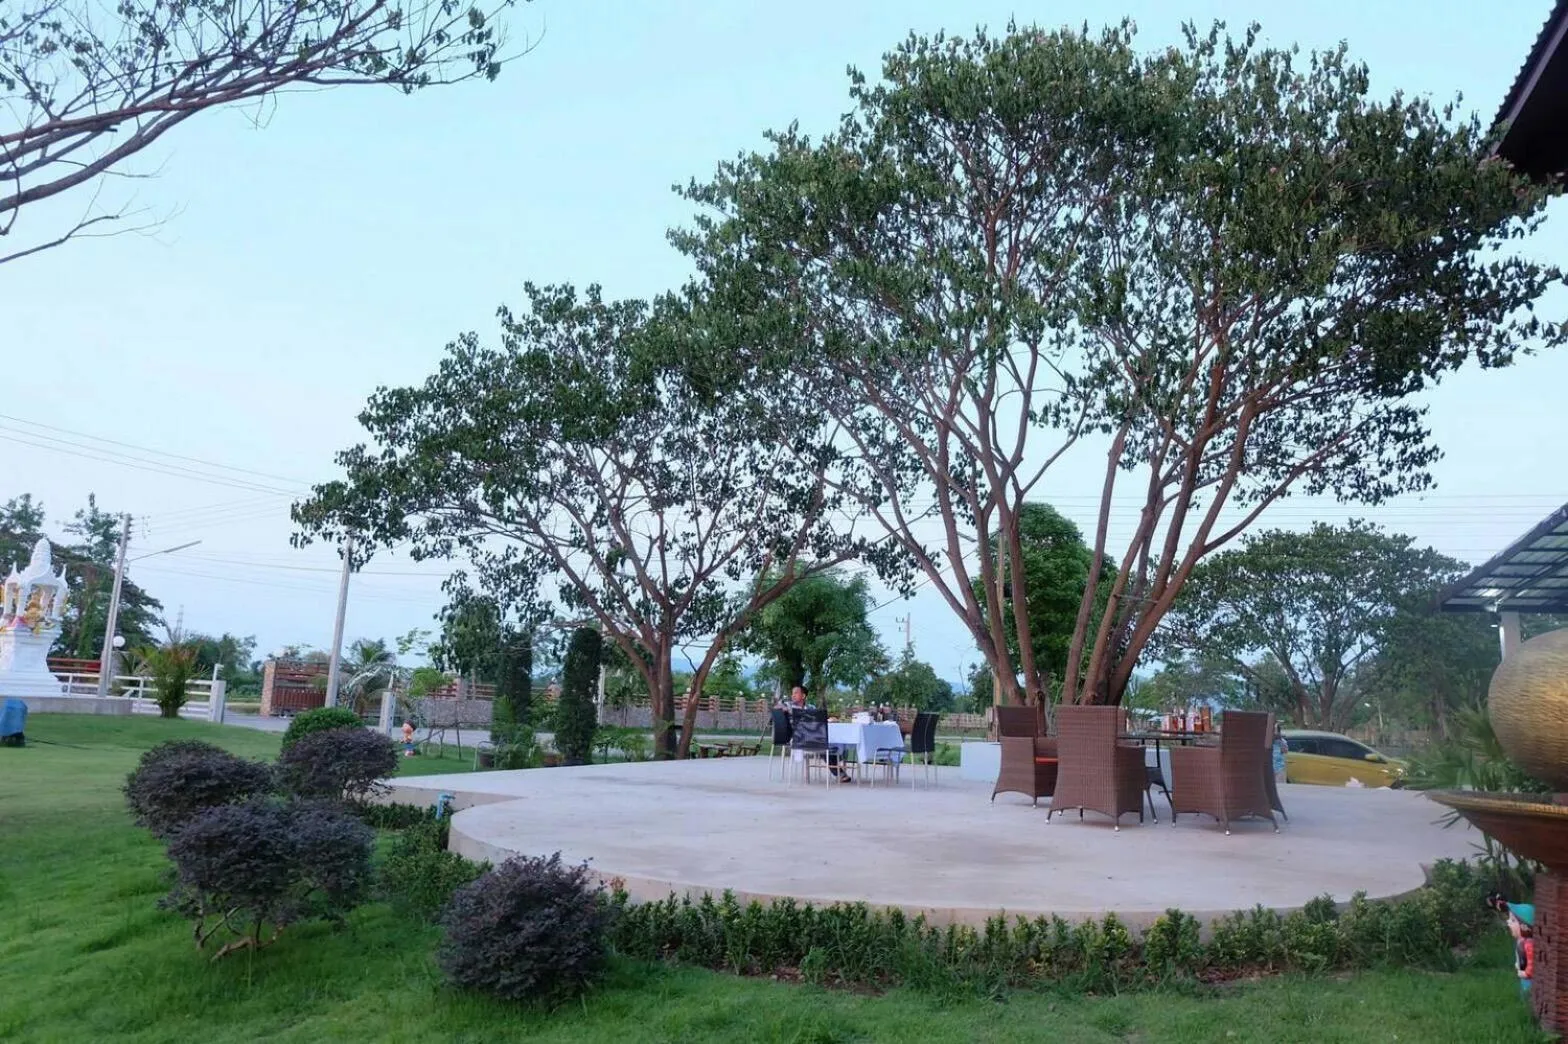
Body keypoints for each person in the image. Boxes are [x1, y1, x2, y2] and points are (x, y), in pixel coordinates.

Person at [1508, 903, 1536, 996]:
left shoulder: (1529, 945)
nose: (1508, 922)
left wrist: (1525, 973)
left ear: (1524, 926)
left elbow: (1532, 964)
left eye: (1513, 920)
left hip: (1529, 981)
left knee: (1528, 992)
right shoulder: (1521, 941)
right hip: (1524, 978)